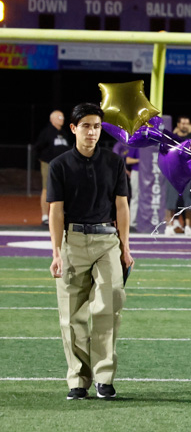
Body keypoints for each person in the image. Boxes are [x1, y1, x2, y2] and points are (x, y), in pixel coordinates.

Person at [47, 102, 133, 400]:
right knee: (71, 315)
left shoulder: (114, 162)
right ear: (73, 128)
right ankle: (78, 379)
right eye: (86, 126)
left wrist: (126, 247)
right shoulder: (59, 165)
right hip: (72, 242)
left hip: (107, 241)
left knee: (109, 307)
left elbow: (122, 206)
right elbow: (56, 211)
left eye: (97, 126)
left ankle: (104, 376)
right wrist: (56, 252)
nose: (92, 132)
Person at [33, 109, 71, 226]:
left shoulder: (64, 133)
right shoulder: (47, 132)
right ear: (52, 119)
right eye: (59, 117)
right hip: (49, 164)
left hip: (62, 165)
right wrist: (42, 160)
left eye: (63, 117)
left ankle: (61, 214)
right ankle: (45, 216)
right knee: (47, 188)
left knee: (63, 189)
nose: (62, 119)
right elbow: (38, 147)